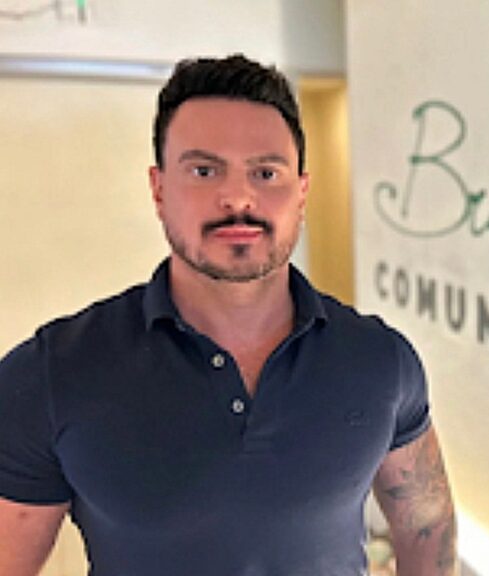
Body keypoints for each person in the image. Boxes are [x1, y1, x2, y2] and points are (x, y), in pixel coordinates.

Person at [0, 54, 457, 576]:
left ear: (301, 193)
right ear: (159, 190)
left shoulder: (378, 360)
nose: (238, 198)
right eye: (204, 170)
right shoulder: (52, 372)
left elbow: (428, 522)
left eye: (266, 172)